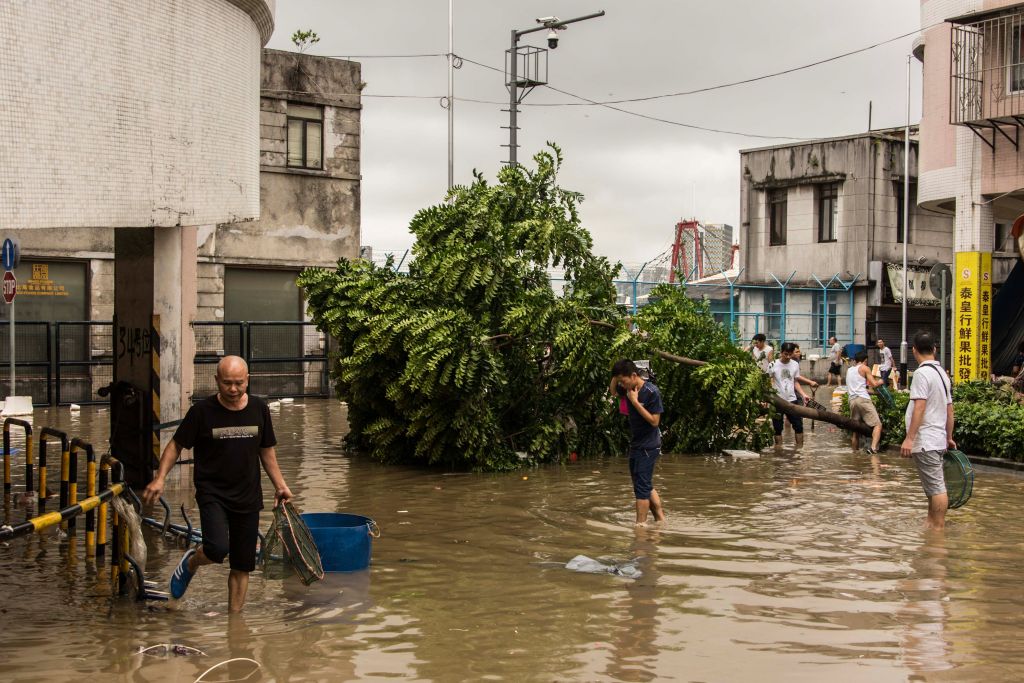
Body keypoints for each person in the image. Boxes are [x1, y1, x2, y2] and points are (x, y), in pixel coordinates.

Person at [142, 355, 293, 612]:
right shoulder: (202, 412)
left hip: (248, 495)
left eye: (238, 383)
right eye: (227, 383)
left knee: (243, 564)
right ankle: (192, 562)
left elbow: (266, 450)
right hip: (213, 493)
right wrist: (160, 478)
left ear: (248, 380)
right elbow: (176, 445)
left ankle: (235, 623)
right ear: (216, 381)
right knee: (217, 549)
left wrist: (281, 485)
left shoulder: (259, 409)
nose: (233, 389)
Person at [900, 332, 955, 530]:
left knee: (937, 487)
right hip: (937, 438)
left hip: (927, 440)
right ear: (935, 349)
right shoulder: (942, 374)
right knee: (933, 487)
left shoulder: (921, 374)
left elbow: (920, 406)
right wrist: (949, 437)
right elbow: (949, 409)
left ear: (914, 350)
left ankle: (938, 530)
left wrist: (909, 438)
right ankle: (931, 526)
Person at [610, 359, 666, 526]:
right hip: (636, 443)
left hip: (649, 445)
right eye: (620, 381)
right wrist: (615, 376)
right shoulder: (627, 388)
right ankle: (661, 520)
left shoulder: (651, 392)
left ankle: (640, 526)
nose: (622, 385)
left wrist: (635, 402)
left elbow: (655, 421)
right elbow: (613, 392)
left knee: (642, 487)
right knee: (642, 484)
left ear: (634, 375)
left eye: (623, 381)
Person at [770, 342, 810, 447]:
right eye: (785, 354)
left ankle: (799, 449)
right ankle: (779, 450)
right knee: (777, 428)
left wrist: (803, 394)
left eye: (790, 354)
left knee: (798, 426)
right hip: (777, 400)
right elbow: (767, 380)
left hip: (792, 400)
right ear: (781, 352)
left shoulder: (795, 364)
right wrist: (767, 398)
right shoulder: (773, 364)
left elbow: (795, 381)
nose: (788, 356)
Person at [847, 350, 883, 454]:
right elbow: (874, 384)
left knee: (856, 430)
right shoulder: (865, 368)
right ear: (865, 360)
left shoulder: (849, 370)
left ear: (855, 360)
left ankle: (855, 454)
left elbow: (859, 388)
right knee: (877, 425)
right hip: (863, 400)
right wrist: (881, 381)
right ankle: (873, 448)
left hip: (852, 400)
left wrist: (873, 393)